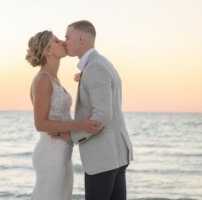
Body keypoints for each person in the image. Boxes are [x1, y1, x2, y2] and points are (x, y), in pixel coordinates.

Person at [25, 30, 102, 200]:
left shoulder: (54, 78)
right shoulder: (43, 79)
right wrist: (79, 125)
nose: (63, 42)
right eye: (57, 41)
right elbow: (40, 124)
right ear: (48, 50)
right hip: (51, 154)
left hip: (63, 153)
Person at [63, 20, 134, 200]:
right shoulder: (101, 63)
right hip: (115, 153)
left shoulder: (95, 67)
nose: (65, 42)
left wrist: (71, 136)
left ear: (81, 39)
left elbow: (101, 115)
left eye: (67, 37)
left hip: (103, 156)